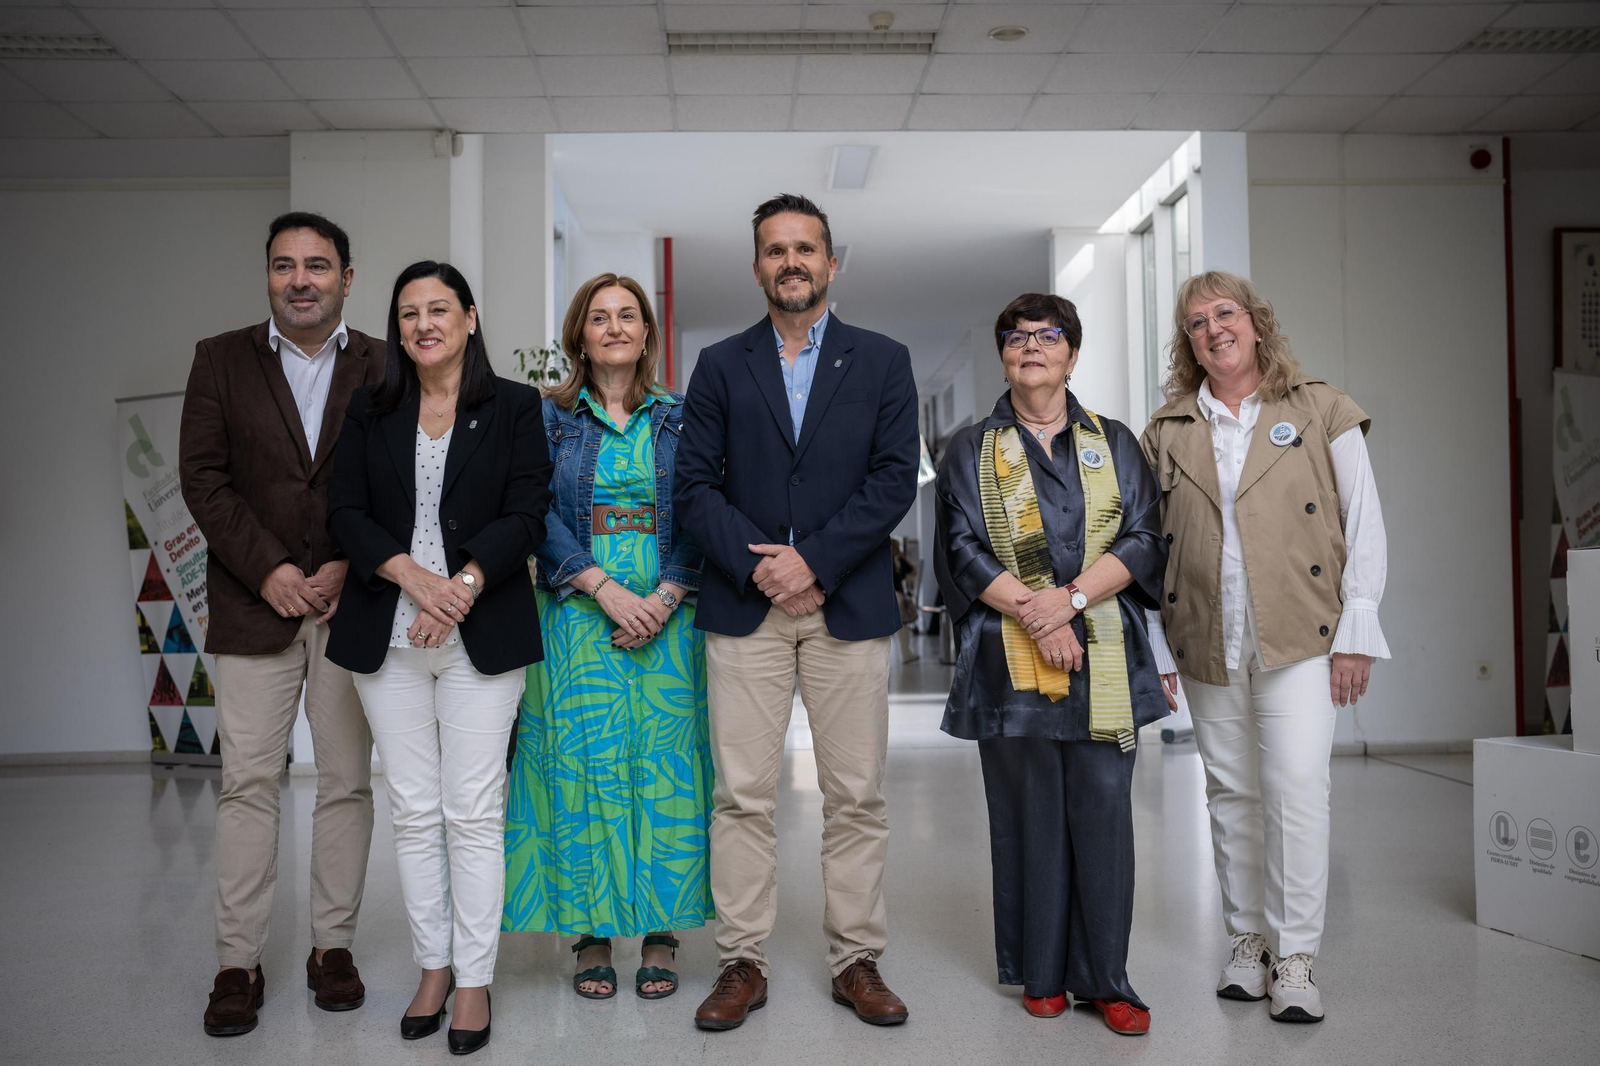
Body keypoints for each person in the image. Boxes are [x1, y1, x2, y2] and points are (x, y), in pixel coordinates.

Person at [676, 193, 920, 1031]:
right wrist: (771, 570)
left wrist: (812, 560)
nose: (792, 262)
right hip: (746, 610)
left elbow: (892, 481)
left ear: (831, 262)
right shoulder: (718, 364)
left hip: (846, 604)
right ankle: (741, 959)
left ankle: (857, 961)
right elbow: (693, 490)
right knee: (742, 795)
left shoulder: (883, 361)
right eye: (775, 250)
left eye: (806, 249)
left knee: (856, 795)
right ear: (756, 267)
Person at [1140, 271, 1389, 1024]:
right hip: (1205, 633)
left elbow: (1363, 524)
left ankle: (1299, 956)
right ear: (1188, 343)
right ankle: (1248, 942)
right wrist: (1158, 647)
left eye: (1225, 314)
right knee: (1231, 794)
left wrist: (1359, 630)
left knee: (1297, 793)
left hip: (1305, 633)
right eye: (1195, 323)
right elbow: (1151, 545)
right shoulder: (1169, 429)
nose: (1213, 330)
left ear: (1254, 323)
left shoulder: (1320, 408)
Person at [325, 260, 552, 1055]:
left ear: (470, 317)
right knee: (415, 811)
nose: (425, 323)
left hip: (479, 635)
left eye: (440, 309)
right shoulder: (369, 408)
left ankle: (476, 978)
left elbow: (528, 510)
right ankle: (433, 967)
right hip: (383, 636)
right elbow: (345, 511)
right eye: (410, 312)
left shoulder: (516, 407)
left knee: (473, 812)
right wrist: (413, 580)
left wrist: (457, 587)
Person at [934, 293, 1167, 1037]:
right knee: (1028, 812)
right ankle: (1041, 971)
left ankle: (1108, 978)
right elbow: (961, 548)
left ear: (1072, 352)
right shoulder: (969, 448)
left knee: (1103, 814)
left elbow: (1144, 539)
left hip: (1103, 654)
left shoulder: (1116, 442)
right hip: (1010, 657)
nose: (1032, 345)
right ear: (1003, 354)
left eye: (1049, 334)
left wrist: (1066, 602)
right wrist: (1036, 616)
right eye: (1017, 336)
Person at [180, 211, 382, 1038]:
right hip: (251, 604)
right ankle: (238, 962)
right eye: (284, 265)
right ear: (267, 274)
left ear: (346, 276)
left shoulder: (384, 362)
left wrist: (344, 560)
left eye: (318, 265)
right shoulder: (219, 359)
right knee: (249, 786)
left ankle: (332, 948)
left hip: (351, 603)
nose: (301, 278)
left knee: (345, 783)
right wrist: (270, 569)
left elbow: (398, 476)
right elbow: (203, 479)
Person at [502, 272, 711, 1002]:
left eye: (629, 316)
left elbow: (702, 511)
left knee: (664, 772)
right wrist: (603, 587)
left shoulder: (684, 416)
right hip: (575, 609)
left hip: (670, 615)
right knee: (579, 768)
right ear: (579, 334)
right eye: (600, 317)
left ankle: (661, 929)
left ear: (648, 333)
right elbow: (533, 512)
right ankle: (588, 931)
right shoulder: (545, 419)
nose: (615, 327)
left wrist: (665, 593)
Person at [891, 540, 920, 664]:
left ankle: (904, 654)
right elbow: (913, 571)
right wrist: (903, 557)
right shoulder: (898, 560)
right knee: (903, 626)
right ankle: (906, 654)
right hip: (898, 596)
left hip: (887, 598)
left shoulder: (883, 561)